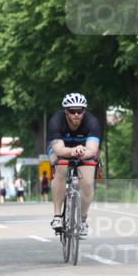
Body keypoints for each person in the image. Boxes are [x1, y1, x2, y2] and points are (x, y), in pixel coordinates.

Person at [48, 92, 101, 237]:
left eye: (80, 110)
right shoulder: (56, 121)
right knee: (60, 166)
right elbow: (59, 150)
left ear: (84, 111)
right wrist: (72, 151)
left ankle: (82, 219)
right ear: (66, 111)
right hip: (62, 149)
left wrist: (81, 152)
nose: (76, 114)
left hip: (84, 151)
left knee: (88, 182)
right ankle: (57, 216)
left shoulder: (92, 121)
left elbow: (92, 150)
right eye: (72, 111)